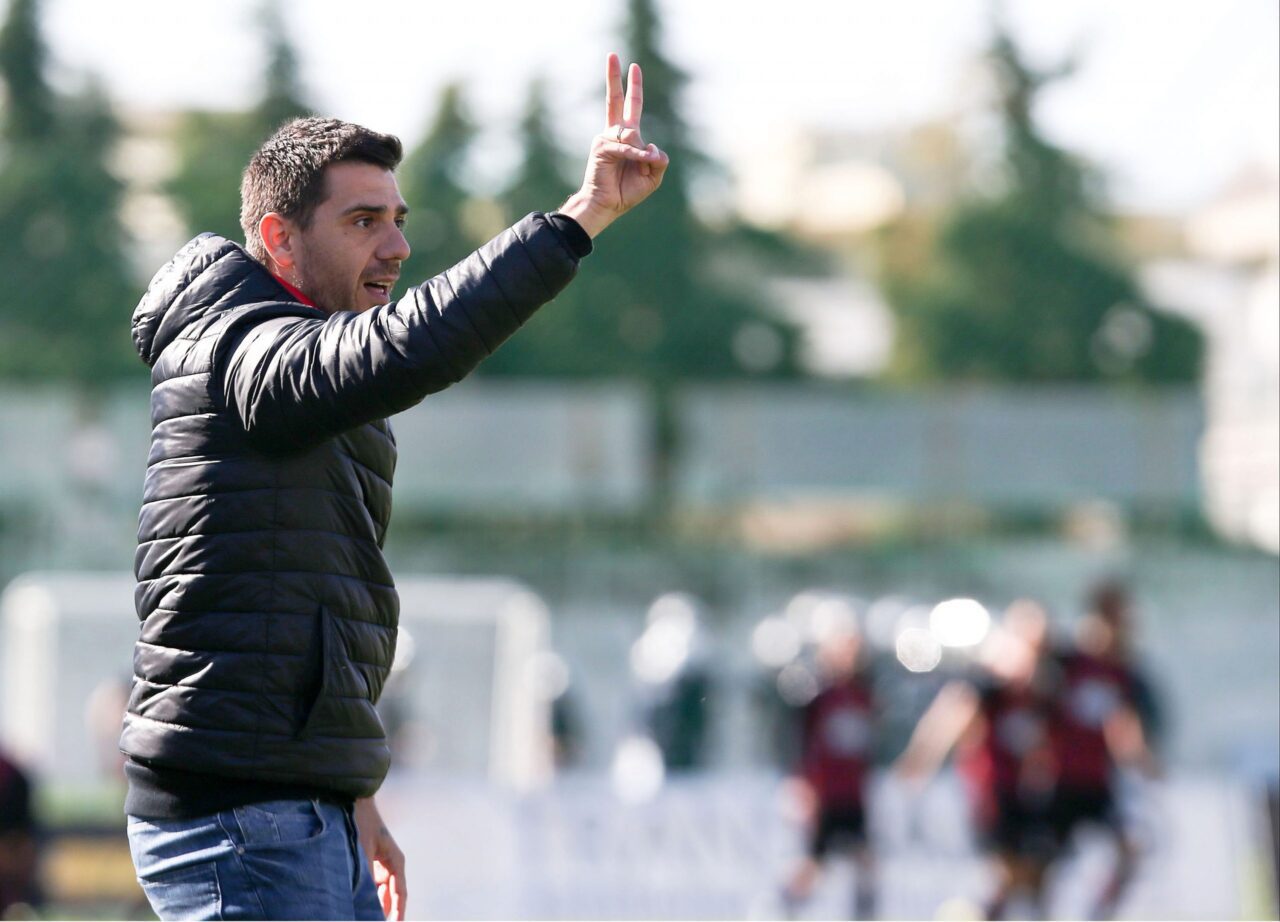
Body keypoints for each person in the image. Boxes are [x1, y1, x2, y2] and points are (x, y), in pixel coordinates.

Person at [120, 54, 667, 921]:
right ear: (278, 239)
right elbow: (411, 343)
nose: (398, 247)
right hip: (244, 821)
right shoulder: (244, 352)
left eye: (399, 220)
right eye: (364, 221)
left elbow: (303, 601)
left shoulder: (297, 369)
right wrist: (582, 216)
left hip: (297, 807)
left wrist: (351, 795)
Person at [896, 600, 1060, 920]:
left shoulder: (1039, 693)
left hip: (1024, 797)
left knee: (1032, 878)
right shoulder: (987, 687)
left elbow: (1041, 746)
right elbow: (946, 721)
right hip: (989, 797)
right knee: (1007, 874)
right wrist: (919, 762)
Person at [1049, 580, 1160, 920]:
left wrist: (1144, 761)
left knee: (1129, 852)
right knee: (1029, 871)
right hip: (1055, 782)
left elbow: (1128, 730)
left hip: (1098, 783)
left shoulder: (1126, 674)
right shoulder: (1063, 663)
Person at [781, 617, 879, 919]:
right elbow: (797, 744)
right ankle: (782, 906)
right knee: (814, 863)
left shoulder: (863, 693)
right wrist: (800, 785)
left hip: (852, 795)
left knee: (865, 862)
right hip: (825, 794)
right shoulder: (814, 694)